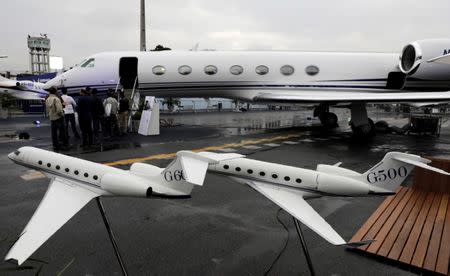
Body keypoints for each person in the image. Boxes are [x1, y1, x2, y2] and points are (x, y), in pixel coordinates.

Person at [45, 87, 68, 152]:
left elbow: (47, 109)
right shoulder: (56, 99)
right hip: (58, 117)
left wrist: (49, 115)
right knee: (62, 131)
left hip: (52, 117)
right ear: (55, 91)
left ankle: (55, 145)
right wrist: (62, 115)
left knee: (54, 132)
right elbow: (59, 110)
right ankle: (65, 145)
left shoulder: (47, 99)